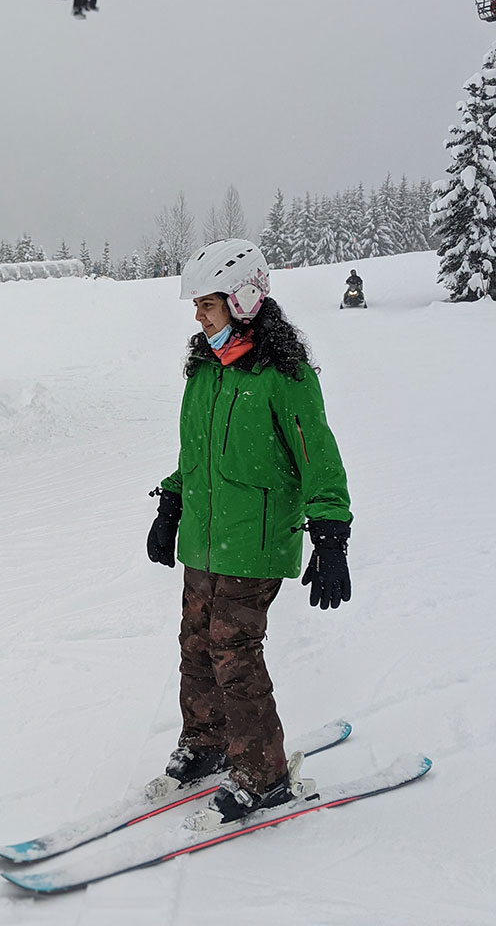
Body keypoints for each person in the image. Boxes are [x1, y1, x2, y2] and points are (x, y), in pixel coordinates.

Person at [146, 239, 352, 828]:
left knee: (233, 653)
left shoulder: (283, 376)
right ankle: (207, 743)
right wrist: (172, 501)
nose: (198, 316)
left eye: (207, 304)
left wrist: (330, 533)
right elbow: (196, 453)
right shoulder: (207, 370)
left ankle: (262, 776)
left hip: (255, 542)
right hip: (207, 540)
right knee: (195, 645)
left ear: (243, 299)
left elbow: (319, 455)